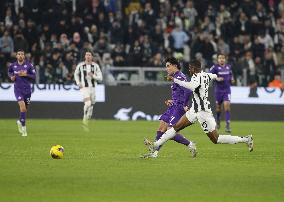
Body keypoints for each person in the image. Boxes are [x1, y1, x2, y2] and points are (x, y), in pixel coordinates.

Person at [144, 60, 254, 157]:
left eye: (190, 68)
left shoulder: (197, 77)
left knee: (216, 139)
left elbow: (191, 87)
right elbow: (213, 76)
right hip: (193, 110)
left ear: (194, 68)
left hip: (203, 112)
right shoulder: (206, 75)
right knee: (175, 128)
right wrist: (217, 77)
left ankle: (245, 139)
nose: (189, 70)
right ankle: (155, 145)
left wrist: (175, 80)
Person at [142, 57, 196, 158]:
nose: (166, 69)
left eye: (168, 66)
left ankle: (190, 144)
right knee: (161, 128)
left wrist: (184, 104)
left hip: (179, 107)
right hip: (174, 106)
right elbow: (180, 92)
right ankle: (154, 153)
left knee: (170, 130)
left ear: (174, 66)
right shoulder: (176, 77)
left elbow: (188, 90)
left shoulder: (179, 77)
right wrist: (172, 100)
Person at [8, 49, 36, 136]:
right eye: (19, 54)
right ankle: (24, 129)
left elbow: (34, 76)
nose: (20, 56)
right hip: (18, 90)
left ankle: (20, 121)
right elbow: (9, 72)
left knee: (25, 109)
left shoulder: (29, 65)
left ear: (24, 56)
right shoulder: (13, 65)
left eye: (22, 54)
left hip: (27, 90)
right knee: (23, 108)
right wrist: (11, 77)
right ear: (16, 56)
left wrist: (26, 75)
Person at [74, 50, 103, 131]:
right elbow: (75, 74)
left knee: (92, 104)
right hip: (84, 88)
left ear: (92, 57)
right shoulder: (80, 65)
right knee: (88, 103)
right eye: (86, 55)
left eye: (89, 55)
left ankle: (87, 118)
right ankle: (84, 119)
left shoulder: (95, 66)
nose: (88, 56)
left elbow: (100, 78)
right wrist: (78, 82)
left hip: (93, 88)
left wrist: (93, 76)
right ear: (84, 56)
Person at [210, 53, 234, 133]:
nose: (221, 59)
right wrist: (217, 78)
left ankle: (227, 125)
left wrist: (232, 79)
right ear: (217, 59)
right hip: (218, 91)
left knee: (227, 106)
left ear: (225, 59)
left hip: (227, 90)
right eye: (220, 58)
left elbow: (231, 75)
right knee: (218, 108)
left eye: (223, 58)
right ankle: (218, 121)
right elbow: (209, 75)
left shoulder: (228, 67)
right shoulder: (215, 67)